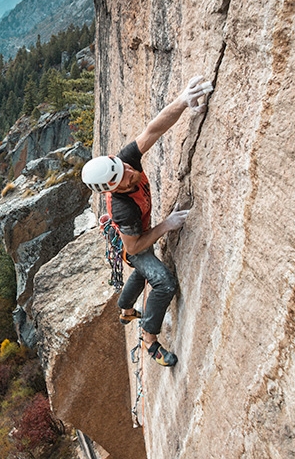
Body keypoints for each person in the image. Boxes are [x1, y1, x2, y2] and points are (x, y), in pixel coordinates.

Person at [81, 76, 212, 367]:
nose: (131, 172)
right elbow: (136, 246)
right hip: (134, 243)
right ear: (113, 189)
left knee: (141, 276)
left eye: (126, 168)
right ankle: (150, 341)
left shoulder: (124, 163)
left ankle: (125, 307)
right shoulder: (123, 208)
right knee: (162, 281)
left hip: (137, 237)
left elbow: (153, 129)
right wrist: (166, 225)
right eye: (125, 178)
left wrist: (181, 101)